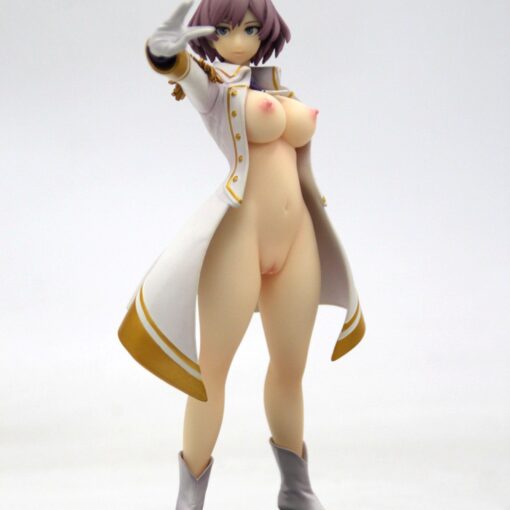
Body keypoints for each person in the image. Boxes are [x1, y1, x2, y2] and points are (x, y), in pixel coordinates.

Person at [118, 0, 366, 507]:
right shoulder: (216, 92)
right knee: (210, 373)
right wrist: (165, 54)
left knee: (290, 369)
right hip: (240, 240)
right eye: (226, 28)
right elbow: (184, 73)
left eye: (250, 29)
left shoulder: (276, 89)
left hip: (298, 239)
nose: (238, 40)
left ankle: (296, 490)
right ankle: (189, 499)